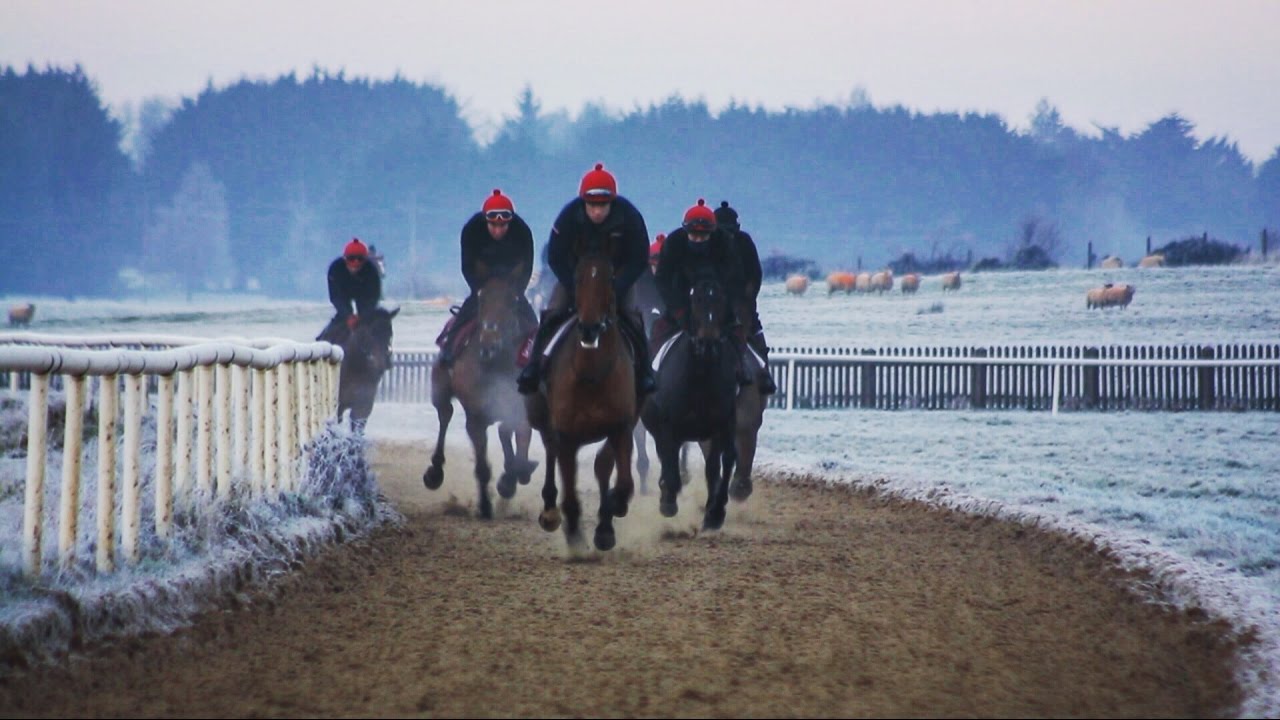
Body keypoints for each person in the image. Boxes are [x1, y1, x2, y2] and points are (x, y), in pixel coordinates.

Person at [516, 163, 656, 396]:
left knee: (633, 319)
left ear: (612, 201)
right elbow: (555, 256)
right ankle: (532, 368)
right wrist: (574, 286)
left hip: (616, 281)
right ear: (584, 202)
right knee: (552, 314)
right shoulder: (568, 216)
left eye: (603, 205)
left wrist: (618, 286)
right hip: (575, 279)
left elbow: (640, 257)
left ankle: (645, 374)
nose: (598, 211)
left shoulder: (630, 216)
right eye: (592, 205)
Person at [652, 198, 757, 387]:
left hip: (717, 301)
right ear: (686, 231)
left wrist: (727, 307)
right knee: (658, 331)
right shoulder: (674, 242)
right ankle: (649, 372)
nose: (698, 240)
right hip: (681, 299)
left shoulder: (724, 243)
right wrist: (678, 309)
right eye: (694, 235)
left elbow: (735, 278)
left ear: (712, 232)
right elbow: (663, 279)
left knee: (739, 330)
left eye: (703, 236)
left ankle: (744, 367)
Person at [436, 189, 537, 367]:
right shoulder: (472, 230)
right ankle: (448, 351)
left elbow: (526, 267)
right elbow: (467, 266)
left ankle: (534, 357)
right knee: (465, 313)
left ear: (510, 223)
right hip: (482, 282)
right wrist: (479, 290)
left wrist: (516, 292)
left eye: (503, 226)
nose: (498, 230)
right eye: (493, 226)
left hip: (511, 285)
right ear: (486, 222)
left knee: (532, 321)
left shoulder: (522, 232)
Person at [714, 201, 776, 393]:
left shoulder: (744, 242)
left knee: (755, 333)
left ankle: (764, 371)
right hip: (713, 300)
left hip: (741, 301)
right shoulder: (709, 243)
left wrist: (748, 297)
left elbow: (755, 274)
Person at [318, 237, 382, 343]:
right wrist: (348, 315)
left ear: (365, 260)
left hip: (364, 294)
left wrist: (362, 315)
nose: (356, 263)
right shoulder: (336, 269)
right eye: (351, 258)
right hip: (343, 293)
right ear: (345, 259)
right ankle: (323, 342)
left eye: (360, 259)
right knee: (336, 325)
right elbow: (336, 297)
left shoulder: (371, 271)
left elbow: (373, 297)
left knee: (372, 323)